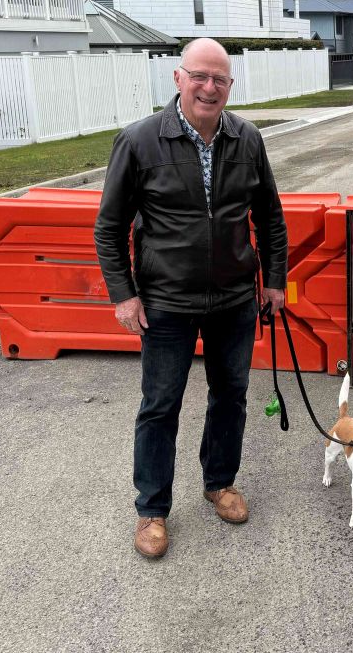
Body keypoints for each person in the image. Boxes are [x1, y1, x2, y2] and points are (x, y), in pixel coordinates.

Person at [94, 38, 287, 559]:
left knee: (231, 396)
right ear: (178, 79)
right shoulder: (138, 142)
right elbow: (109, 228)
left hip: (233, 299)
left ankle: (219, 483)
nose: (209, 87)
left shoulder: (247, 139)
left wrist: (274, 280)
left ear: (230, 86)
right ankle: (152, 510)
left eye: (219, 79)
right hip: (166, 303)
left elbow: (270, 216)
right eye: (199, 76)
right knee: (160, 405)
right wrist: (124, 296)